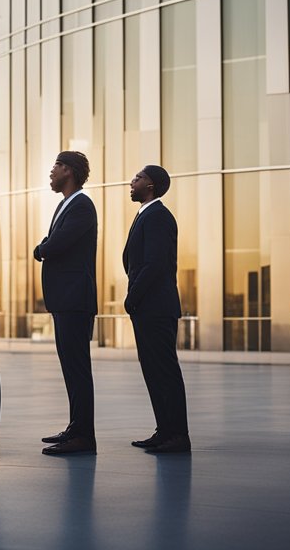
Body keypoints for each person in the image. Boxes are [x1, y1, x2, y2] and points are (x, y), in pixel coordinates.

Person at [35, 151, 99, 456]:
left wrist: (40, 249)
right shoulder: (66, 204)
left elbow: (58, 243)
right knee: (71, 368)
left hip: (75, 299)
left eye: (57, 166)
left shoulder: (82, 205)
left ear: (69, 171)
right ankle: (76, 427)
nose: (52, 172)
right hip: (65, 299)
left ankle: (84, 436)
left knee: (77, 368)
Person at [124, 164, 191, 454]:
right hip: (147, 308)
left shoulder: (158, 217)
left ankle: (177, 435)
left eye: (138, 178)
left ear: (150, 185)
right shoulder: (145, 215)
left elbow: (154, 264)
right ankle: (164, 431)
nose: (132, 181)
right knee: (153, 372)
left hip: (156, 307)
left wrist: (132, 296)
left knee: (164, 371)